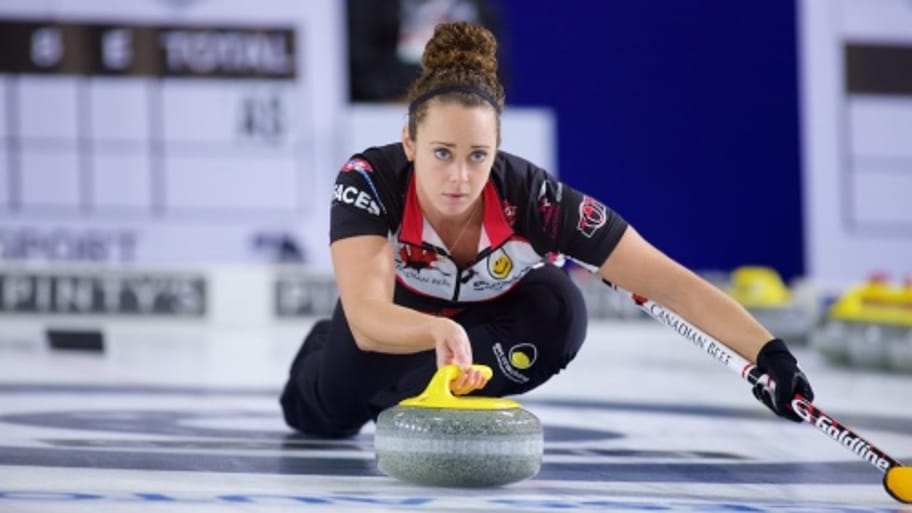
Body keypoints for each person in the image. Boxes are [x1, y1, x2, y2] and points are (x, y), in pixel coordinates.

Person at [280, 22, 813, 438]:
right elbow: (370, 320)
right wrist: (439, 331)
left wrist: (771, 356)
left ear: (497, 153)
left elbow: (669, 282)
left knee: (560, 307)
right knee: (326, 415)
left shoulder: (534, 200)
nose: (460, 177)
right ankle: (344, 369)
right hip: (395, 324)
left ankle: (418, 396)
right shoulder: (370, 178)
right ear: (410, 144)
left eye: (478, 156)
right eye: (441, 153)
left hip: (475, 327)